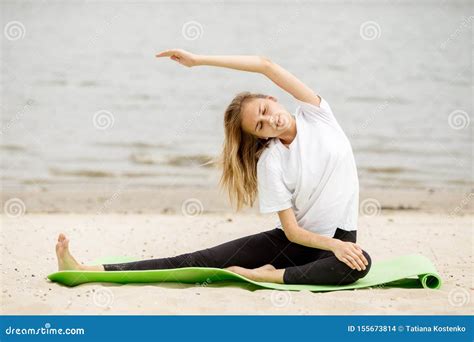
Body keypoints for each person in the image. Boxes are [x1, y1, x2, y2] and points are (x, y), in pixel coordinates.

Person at [55, 49, 371, 285]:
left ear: (273, 98)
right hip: (300, 242)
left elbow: (265, 65)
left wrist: (199, 61)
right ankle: (83, 269)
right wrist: (333, 245)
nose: (268, 120)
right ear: (259, 137)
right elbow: (292, 231)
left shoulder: (318, 115)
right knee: (199, 260)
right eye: (260, 125)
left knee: (359, 263)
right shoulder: (271, 162)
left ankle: (265, 276)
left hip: (338, 240)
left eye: (264, 110)